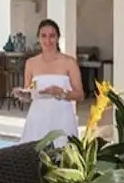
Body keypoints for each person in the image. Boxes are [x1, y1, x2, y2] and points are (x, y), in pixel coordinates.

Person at [18, 19, 85, 147]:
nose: (48, 40)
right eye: (43, 36)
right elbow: (30, 92)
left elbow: (80, 95)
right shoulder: (31, 63)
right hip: (37, 119)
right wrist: (22, 94)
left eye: (52, 36)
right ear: (38, 38)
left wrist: (62, 92)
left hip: (62, 118)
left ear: (58, 38)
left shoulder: (69, 62)